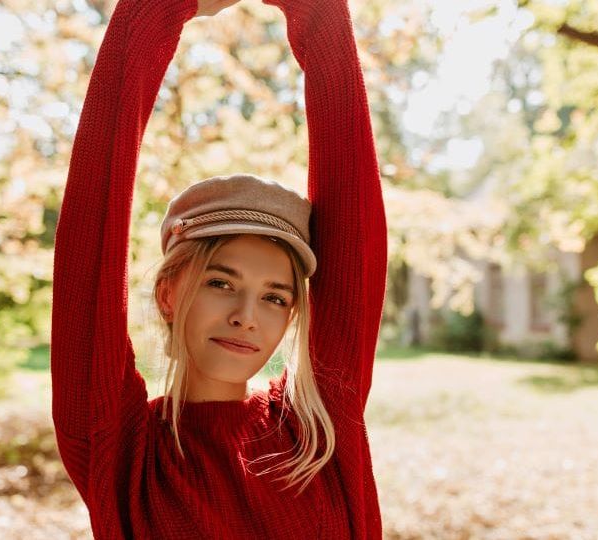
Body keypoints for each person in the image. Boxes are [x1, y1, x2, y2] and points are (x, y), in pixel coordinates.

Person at [50, 0, 387, 537]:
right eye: (220, 282)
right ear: (168, 292)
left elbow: (357, 235)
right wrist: (150, 13)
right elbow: (90, 239)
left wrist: (319, 14)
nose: (247, 316)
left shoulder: (319, 431)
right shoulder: (118, 446)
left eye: (276, 296)